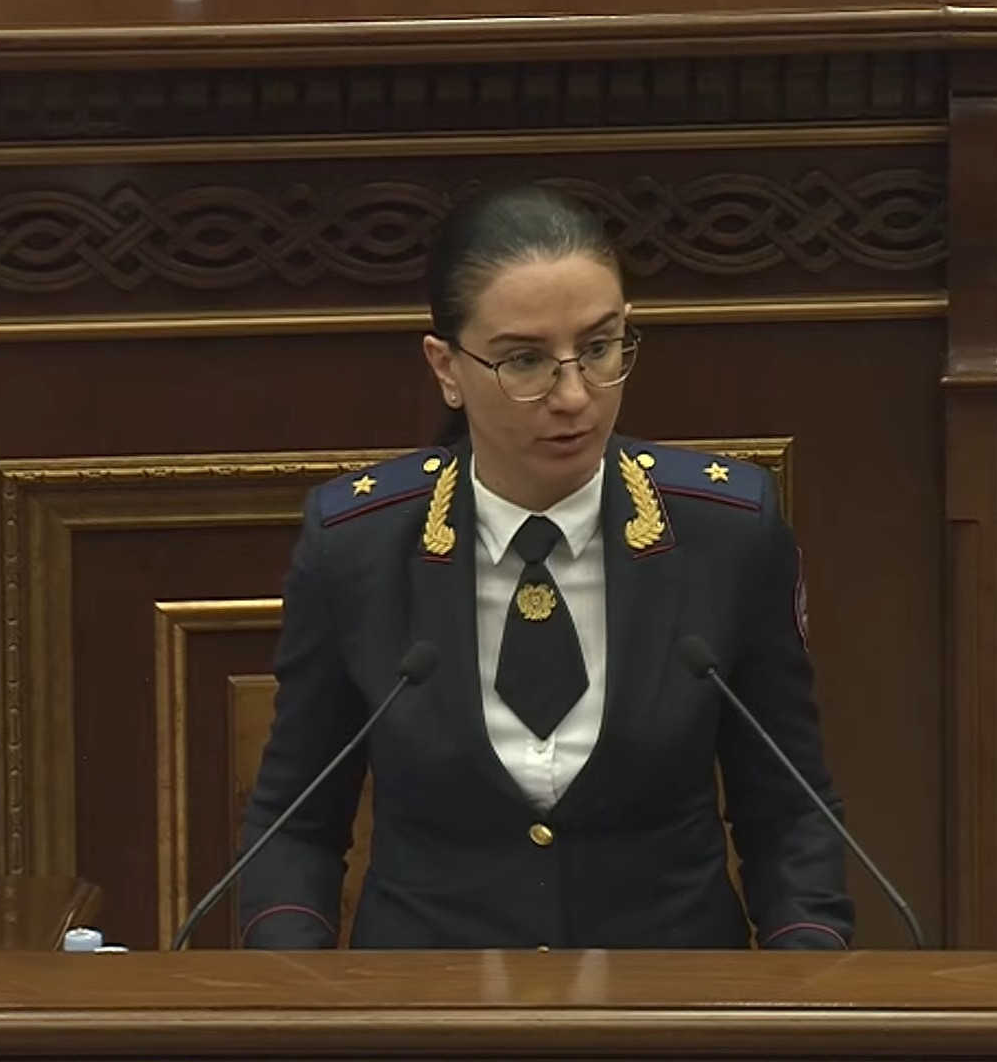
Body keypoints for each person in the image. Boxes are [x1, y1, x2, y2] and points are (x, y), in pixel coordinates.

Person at [234, 183, 855, 950]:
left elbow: (789, 813)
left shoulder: (727, 531)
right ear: (446, 367)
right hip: (428, 998)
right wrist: (297, 996)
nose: (573, 396)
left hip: (669, 995)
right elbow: (294, 828)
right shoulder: (358, 544)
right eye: (525, 360)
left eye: (599, 349)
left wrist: (804, 981)